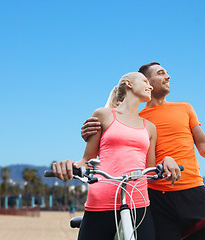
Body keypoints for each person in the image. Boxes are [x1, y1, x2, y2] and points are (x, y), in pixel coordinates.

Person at [81, 62, 205, 240]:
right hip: (154, 198)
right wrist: (88, 132)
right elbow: (110, 144)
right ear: (147, 82)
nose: (168, 77)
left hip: (192, 191)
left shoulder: (185, 108)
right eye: (161, 73)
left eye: (167, 73)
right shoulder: (136, 120)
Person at [52, 72, 181, 240]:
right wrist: (69, 166)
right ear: (129, 84)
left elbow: (149, 173)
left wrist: (167, 161)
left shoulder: (150, 127)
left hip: (139, 203)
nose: (150, 86)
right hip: (101, 202)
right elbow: (86, 160)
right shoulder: (103, 115)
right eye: (145, 81)